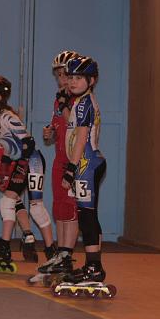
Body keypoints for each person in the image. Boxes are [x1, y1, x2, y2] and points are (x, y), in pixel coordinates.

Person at [53, 56, 114, 298]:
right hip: (85, 165)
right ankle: (93, 264)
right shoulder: (80, 101)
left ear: (92, 80)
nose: (72, 82)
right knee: (86, 215)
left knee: (87, 217)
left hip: (85, 165)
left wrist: (70, 168)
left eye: (79, 78)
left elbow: (80, 138)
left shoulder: (84, 103)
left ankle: (94, 267)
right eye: (70, 77)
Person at [28, 51, 81, 284]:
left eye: (65, 75)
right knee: (58, 208)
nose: (62, 80)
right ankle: (60, 256)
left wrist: (64, 104)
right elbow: (59, 128)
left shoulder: (78, 100)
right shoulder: (59, 99)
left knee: (70, 209)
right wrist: (49, 133)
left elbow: (75, 127)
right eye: (58, 75)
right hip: (59, 157)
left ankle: (67, 257)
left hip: (73, 160)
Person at [0, 76, 38, 274]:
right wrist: (4, 170)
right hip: (17, 160)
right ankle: (6, 245)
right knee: (10, 202)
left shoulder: (7, 117)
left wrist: (19, 167)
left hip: (30, 161)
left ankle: (53, 251)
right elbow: (5, 146)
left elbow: (28, 144)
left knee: (34, 207)